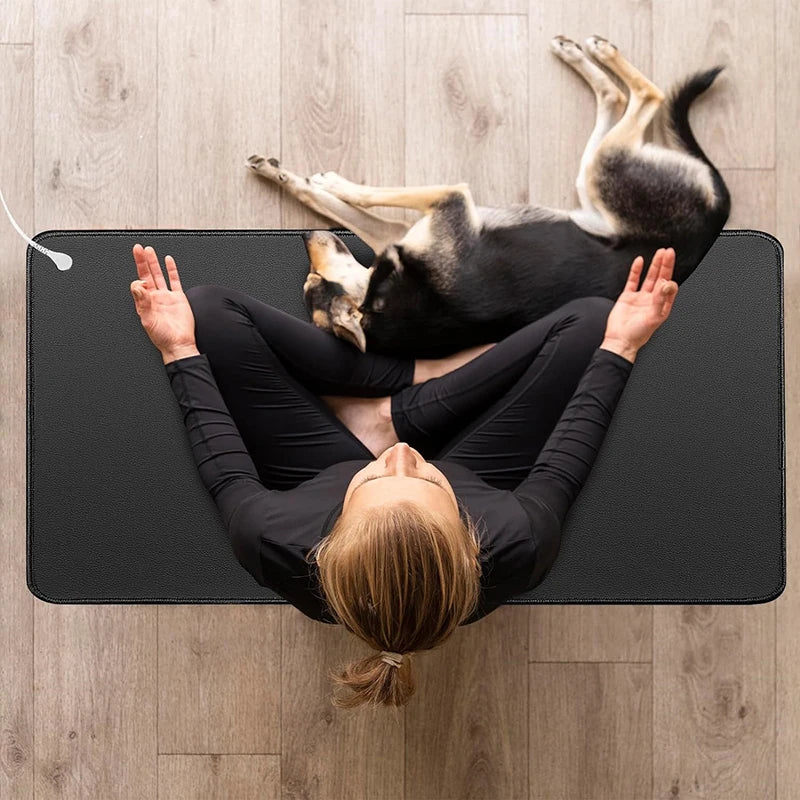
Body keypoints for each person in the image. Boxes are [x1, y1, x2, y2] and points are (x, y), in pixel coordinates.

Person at [130, 243, 678, 711]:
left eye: (375, 480)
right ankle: (393, 410)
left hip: (322, 469)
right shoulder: (518, 541)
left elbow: (224, 467)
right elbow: (564, 460)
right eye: (424, 479)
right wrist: (623, 345)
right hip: (471, 472)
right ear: (471, 538)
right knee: (592, 323)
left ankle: (386, 408)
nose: (405, 457)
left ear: (326, 544)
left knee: (204, 312)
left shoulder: (273, 538)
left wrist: (177, 348)